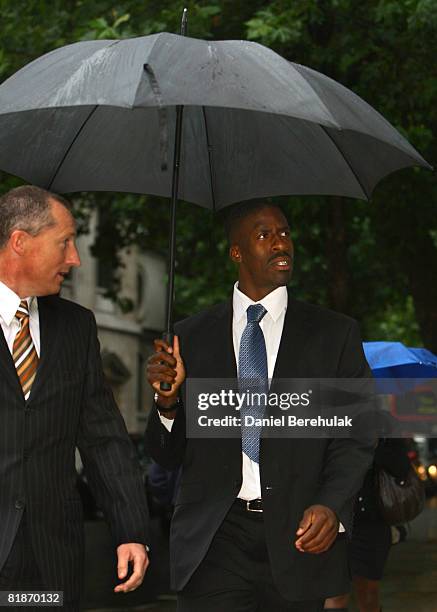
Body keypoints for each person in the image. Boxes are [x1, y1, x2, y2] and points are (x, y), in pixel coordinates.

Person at [146, 200, 375, 612]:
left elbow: (357, 434)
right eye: (264, 235)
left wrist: (331, 503)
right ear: (236, 252)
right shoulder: (189, 337)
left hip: (297, 536)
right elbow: (166, 454)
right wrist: (167, 402)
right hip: (215, 539)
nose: (280, 243)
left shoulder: (334, 334)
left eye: (285, 233)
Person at [0, 185, 149, 610]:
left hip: (52, 557)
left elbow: (103, 437)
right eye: (64, 242)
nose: (74, 258)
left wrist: (131, 529)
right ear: (20, 242)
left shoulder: (76, 327)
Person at [324, 438, 411, 612]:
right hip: (335, 520)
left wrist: (372, 443)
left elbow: (401, 469)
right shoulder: (328, 425)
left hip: (371, 524)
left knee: (368, 594)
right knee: (334, 593)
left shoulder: (383, 429)